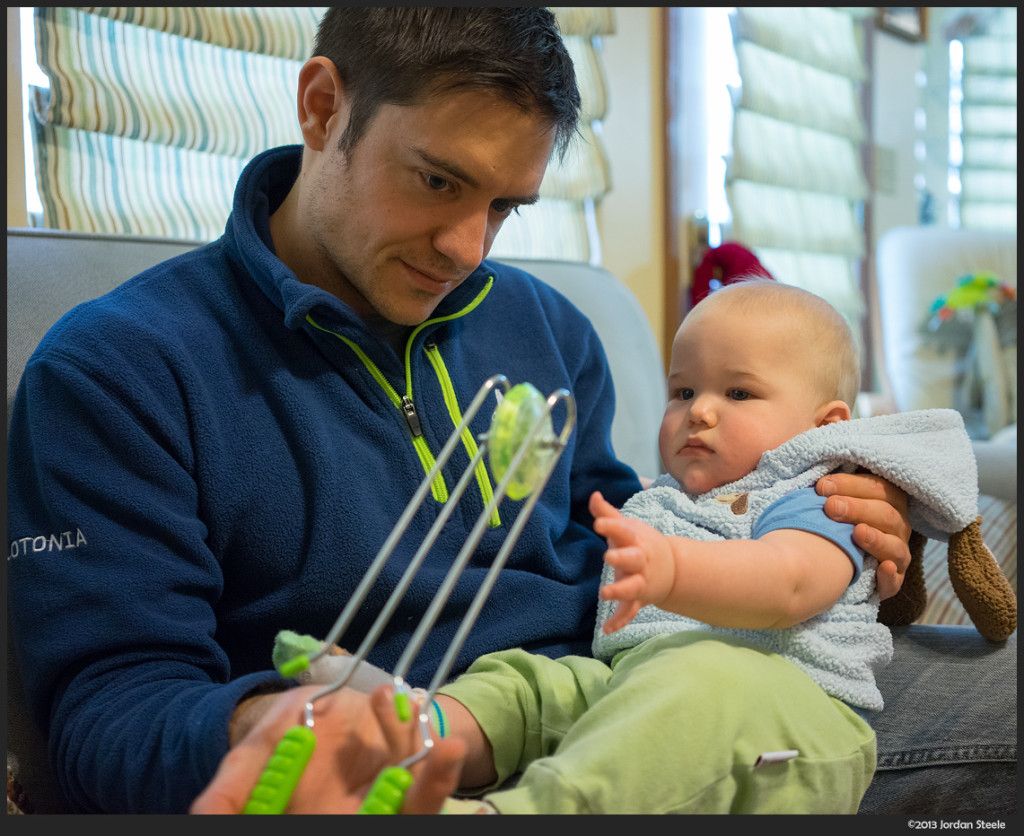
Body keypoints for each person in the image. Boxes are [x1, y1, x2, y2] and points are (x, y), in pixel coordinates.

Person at [9, 8, 914, 815]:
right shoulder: (119, 370)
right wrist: (268, 728)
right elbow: (107, 717)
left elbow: (627, 548)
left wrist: (833, 545)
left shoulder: (550, 331)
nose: (466, 249)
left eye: (505, 208)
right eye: (439, 182)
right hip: (432, 754)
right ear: (323, 107)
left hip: (631, 692)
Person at [290, 279, 975, 815]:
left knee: (690, 695)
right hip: (646, 679)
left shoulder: (818, 495)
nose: (698, 411)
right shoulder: (669, 498)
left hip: (786, 710)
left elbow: (788, 583)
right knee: (536, 682)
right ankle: (416, 731)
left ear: (823, 425)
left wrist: (672, 568)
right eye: (683, 390)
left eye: (738, 392)